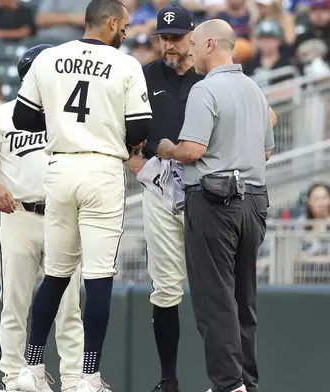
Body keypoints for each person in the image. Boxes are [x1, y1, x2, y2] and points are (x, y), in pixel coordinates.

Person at [12, 0, 151, 391]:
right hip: (102, 169)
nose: (126, 31)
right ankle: (88, 376)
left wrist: (61, 120)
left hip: (59, 168)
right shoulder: (126, 65)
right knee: (99, 278)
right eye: (123, 25)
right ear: (110, 23)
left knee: (55, 274)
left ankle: (32, 368)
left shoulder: (49, 58)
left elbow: (23, 118)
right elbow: (140, 126)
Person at [156, 19, 273, 392]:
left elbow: (192, 151)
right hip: (253, 200)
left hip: (215, 200)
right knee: (243, 299)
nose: (188, 52)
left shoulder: (205, 89)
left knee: (214, 299)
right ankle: (245, 382)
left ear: (210, 45)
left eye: (193, 46)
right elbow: (267, 150)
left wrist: (167, 149)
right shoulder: (256, 89)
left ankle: (227, 385)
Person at [0, 44, 84, 392]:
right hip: (18, 213)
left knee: (69, 305)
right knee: (15, 301)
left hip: (62, 215)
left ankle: (73, 379)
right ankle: (14, 378)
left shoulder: (72, 115)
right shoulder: (3, 115)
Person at [125, 5, 202, 392]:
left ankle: (231, 378)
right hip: (160, 183)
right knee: (166, 285)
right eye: (164, 38)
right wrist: (133, 159)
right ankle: (168, 379)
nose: (169, 45)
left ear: (193, 36)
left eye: (176, 37)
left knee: (213, 285)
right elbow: (123, 125)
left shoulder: (209, 72)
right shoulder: (146, 75)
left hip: (206, 185)